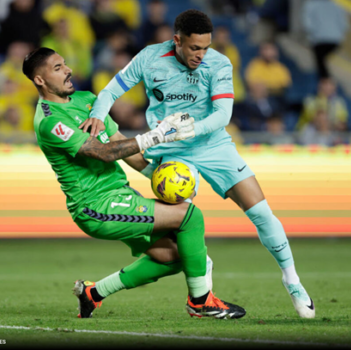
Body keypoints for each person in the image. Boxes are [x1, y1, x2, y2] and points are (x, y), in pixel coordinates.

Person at [85, 9, 315, 318]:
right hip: (173, 155)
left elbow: (223, 114)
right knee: (185, 229)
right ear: (177, 41)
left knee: (261, 213)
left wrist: (192, 128)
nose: (201, 55)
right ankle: (202, 298)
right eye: (195, 48)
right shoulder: (150, 57)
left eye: (206, 47)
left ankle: (293, 282)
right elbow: (112, 89)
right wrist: (98, 114)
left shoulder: (219, 63)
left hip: (214, 145)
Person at [22, 47, 246, 320]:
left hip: (120, 194)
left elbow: (118, 143)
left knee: (174, 257)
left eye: (65, 64)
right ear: (40, 80)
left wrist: (159, 175)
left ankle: (93, 293)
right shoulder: (49, 120)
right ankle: (200, 302)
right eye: (57, 68)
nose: (68, 70)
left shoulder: (87, 99)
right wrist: (155, 136)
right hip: (94, 205)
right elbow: (102, 152)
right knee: (190, 217)